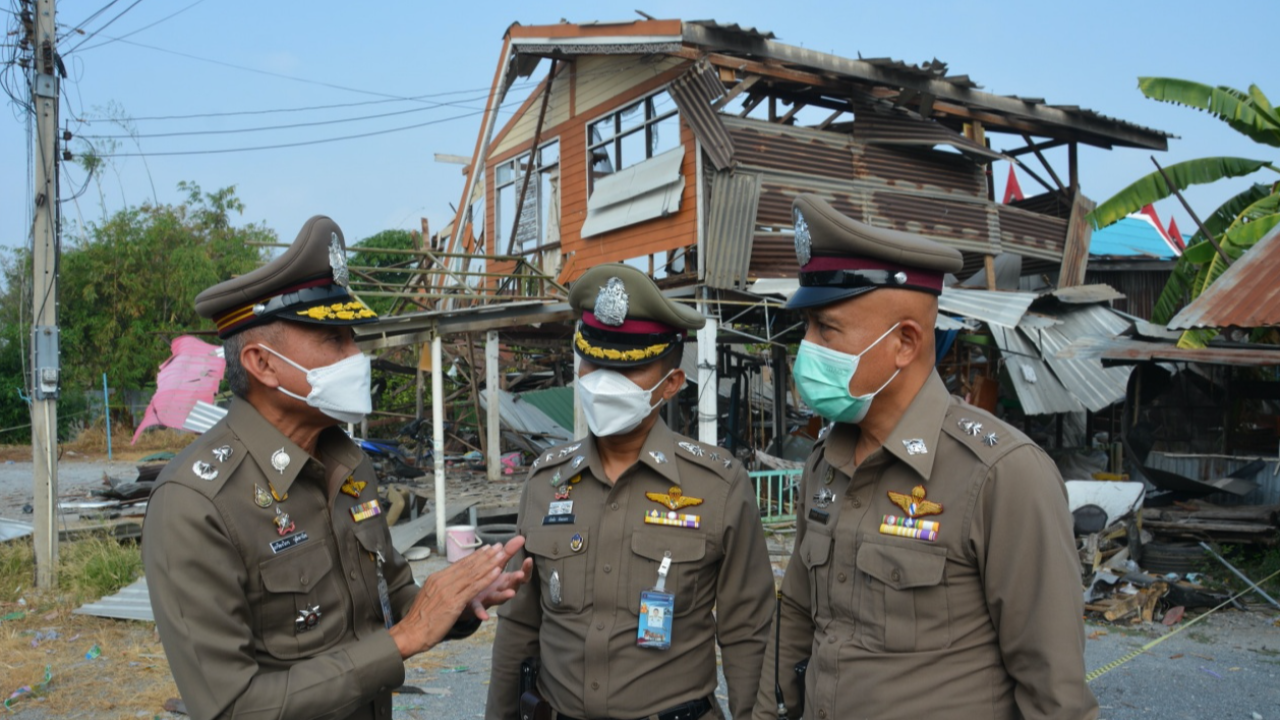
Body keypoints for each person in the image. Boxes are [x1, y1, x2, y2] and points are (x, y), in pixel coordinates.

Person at [142, 215, 531, 720]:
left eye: (352, 336)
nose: (356, 356)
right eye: (333, 340)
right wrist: (402, 641)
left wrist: (456, 600)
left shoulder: (346, 464)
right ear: (262, 364)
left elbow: (390, 596)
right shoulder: (196, 504)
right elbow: (230, 706)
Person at [752, 195, 1097, 720]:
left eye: (827, 329)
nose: (808, 348)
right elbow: (798, 614)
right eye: (808, 328)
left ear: (906, 343)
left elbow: (1054, 690)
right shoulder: (825, 462)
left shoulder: (1002, 474)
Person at [486, 264, 774, 720]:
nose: (603, 382)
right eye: (593, 363)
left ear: (672, 383)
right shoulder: (546, 483)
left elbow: (748, 633)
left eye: (628, 369)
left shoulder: (717, 486)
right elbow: (520, 625)